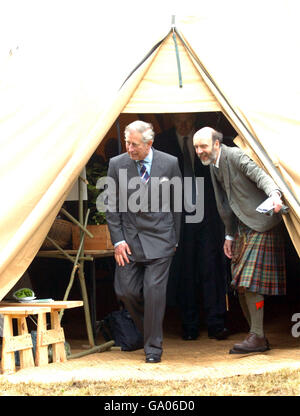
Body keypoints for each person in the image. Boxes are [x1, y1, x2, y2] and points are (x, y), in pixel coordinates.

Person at [193, 127, 286, 354]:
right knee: (239, 285)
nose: (199, 151)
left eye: (203, 146)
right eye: (196, 147)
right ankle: (257, 335)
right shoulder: (213, 165)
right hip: (243, 227)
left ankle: (257, 336)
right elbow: (227, 204)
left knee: (249, 281)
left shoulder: (234, 155)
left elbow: (259, 174)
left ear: (216, 144)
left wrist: (275, 194)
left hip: (261, 223)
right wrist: (229, 234)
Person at [105, 120, 182, 363]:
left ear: (149, 143)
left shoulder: (169, 163)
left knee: (153, 293)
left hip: (161, 238)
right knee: (125, 291)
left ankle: (153, 349)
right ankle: (145, 332)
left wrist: (175, 239)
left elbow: (177, 203)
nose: (129, 148)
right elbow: (111, 205)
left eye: (134, 144)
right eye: (127, 143)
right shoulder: (116, 164)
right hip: (128, 240)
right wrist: (117, 241)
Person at [154, 113, 229, 341]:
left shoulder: (206, 140)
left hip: (208, 214)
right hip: (179, 217)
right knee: (185, 270)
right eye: (179, 122)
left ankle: (216, 323)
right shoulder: (161, 142)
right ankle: (189, 324)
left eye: (188, 121)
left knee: (211, 267)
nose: (184, 126)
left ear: (195, 121)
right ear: (172, 122)